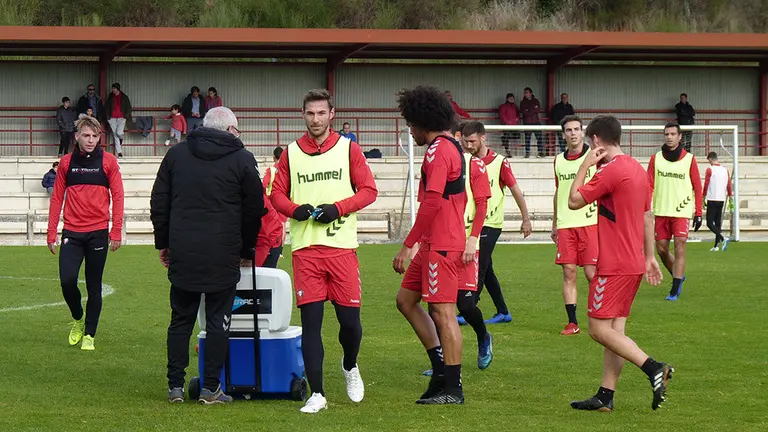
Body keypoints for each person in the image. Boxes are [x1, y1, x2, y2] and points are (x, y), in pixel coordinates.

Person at [270, 89, 378, 413]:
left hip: (342, 249)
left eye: (321, 113)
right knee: (311, 323)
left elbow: (369, 190)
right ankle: (317, 393)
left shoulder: (349, 149)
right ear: (302, 115)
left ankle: (350, 364)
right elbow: (276, 195)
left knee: (350, 324)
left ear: (332, 114)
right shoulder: (290, 153)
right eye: (310, 113)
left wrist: (338, 208)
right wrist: (294, 210)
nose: (315, 119)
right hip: (306, 251)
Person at [150, 106, 264, 405]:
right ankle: (210, 388)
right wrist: (246, 249)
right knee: (218, 322)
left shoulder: (176, 154)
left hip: (184, 249)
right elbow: (254, 209)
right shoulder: (243, 159)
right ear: (230, 130)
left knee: (180, 320)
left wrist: (164, 242)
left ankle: (175, 386)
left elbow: (159, 201)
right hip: (223, 251)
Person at [567, 114, 673, 413]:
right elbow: (647, 215)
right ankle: (606, 395)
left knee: (598, 329)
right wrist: (649, 256)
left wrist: (584, 165)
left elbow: (573, 201)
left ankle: (654, 367)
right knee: (615, 332)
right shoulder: (637, 168)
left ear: (596, 140)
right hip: (633, 262)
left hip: (614, 264)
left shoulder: (610, 170)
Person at [393, 85, 468, 405]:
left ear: (423, 121)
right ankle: (440, 370)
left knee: (443, 311)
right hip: (433, 242)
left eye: (411, 124)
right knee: (406, 301)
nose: (410, 131)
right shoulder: (447, 146)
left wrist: (407, 245)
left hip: (441, 244)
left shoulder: (439, 151)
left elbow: (433, 202)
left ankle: (453, 388)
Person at [46, 116, 124, 351]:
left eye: (95, 136)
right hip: (72, 232)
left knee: (94, 286)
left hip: (98, 232)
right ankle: (78, 318)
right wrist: (51, 231)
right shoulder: (66, 163)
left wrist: (116, 230)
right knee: (67, 281)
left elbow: (118, 196)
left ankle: (90, 334)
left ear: (99, 138)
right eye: (86, 135)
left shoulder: (108, 161)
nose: (91, 140)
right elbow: (57, 197)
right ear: (77, 136)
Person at [422, 121, 493, 377]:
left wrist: (473, 239)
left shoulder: (474, 164)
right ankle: (443, 362)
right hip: (440, 242)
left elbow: (482, 205)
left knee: (465, 303)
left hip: (465, 243)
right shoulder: (438, 159)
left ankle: (483, 336)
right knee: (437, 306)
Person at [460, 121, 532, 324]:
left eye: (472, 141)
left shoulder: (499, 162)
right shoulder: (465, 162)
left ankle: (468, 309)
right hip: (472, 223)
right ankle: (503, 311)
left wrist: (526, 219)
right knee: (487, 268)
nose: (468, 145)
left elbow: (515, 190)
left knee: (479, 266)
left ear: (483, 138)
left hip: (491, 223)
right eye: (465, 142)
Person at [551, 115, 598, 335]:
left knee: (591, 273)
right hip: (565, 224)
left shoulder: (595, 156)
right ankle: (573, 323)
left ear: (582, 132)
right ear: (563, 135)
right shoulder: (558, 160)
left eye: (576, 129)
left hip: (590, 222)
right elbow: (558, 192)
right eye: (568, 130)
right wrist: (554, 222)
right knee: (568, 272)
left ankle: (600, 316)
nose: (573, 133)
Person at [647, 122, 703, 301]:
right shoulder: (655, 159)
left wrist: (699, 212)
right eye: (667, 134)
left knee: (680, 246)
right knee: (661, 250)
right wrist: (645, 207)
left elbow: (697, 187)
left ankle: (675, 288)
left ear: (680, 137)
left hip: (681, 212)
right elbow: (649, 185)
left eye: (673, 134)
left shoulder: (689, 159)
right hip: (661, 211)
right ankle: (678, 275)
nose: (669, 137)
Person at [703, 151, 733, 251]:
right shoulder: (725, 170)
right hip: (721, 198)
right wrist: (730, 196)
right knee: (717, 222)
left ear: (711, 159)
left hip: (712, 198)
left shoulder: (710, 170)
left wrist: (703, 196)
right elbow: (728, 184)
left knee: (709, 223)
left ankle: (723, 238)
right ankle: (716, 246)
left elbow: (706, 184)